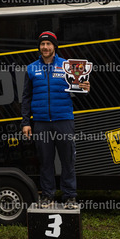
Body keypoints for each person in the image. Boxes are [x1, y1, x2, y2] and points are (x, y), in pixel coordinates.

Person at [21, 31, 90, 210]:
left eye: (48, 44)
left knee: (68, 160)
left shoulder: (68, 66)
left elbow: (79, 92)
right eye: (42, 44)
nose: (45, 47)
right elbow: (26, 97)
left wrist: (84, 87)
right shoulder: (31, 68)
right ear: (39, 47)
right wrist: (26, 122)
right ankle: (48, 195)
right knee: (45, 161)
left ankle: (69, 197)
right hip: (41, 122)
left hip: (64, 120)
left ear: (54, 46)